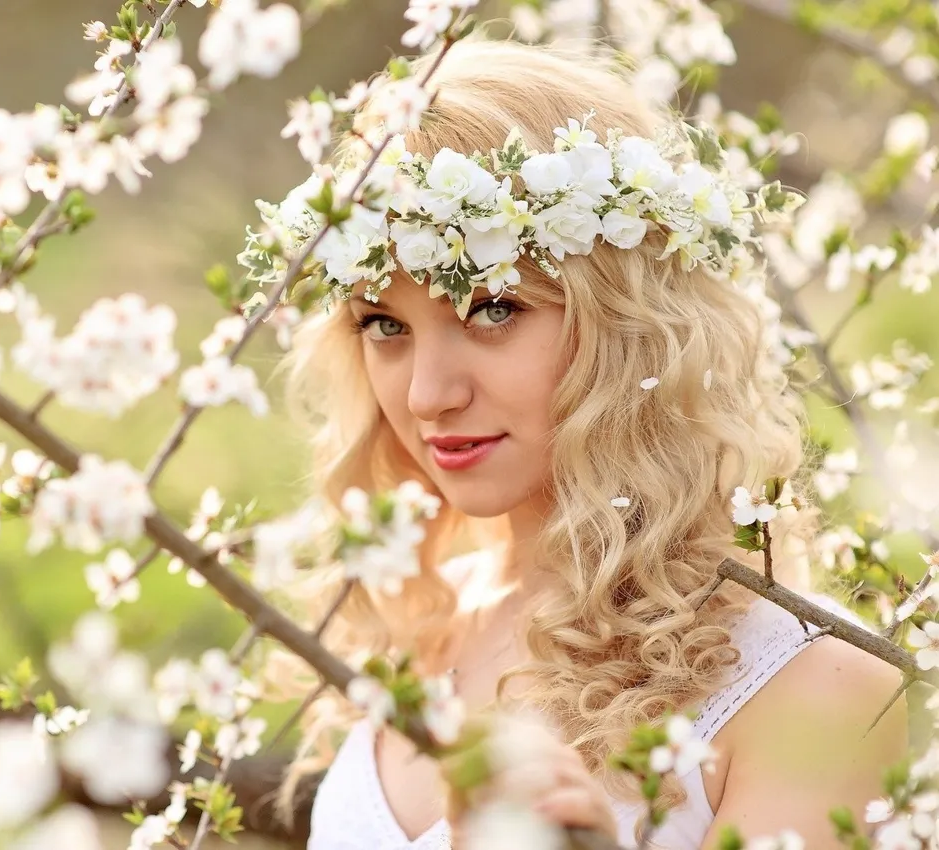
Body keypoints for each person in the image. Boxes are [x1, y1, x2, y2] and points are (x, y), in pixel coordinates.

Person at [260, 35, 909, 850]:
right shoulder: (422, 627)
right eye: (382, 324)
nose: (427, 394)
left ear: (627, 322)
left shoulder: (819, 686)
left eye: (492, 309)